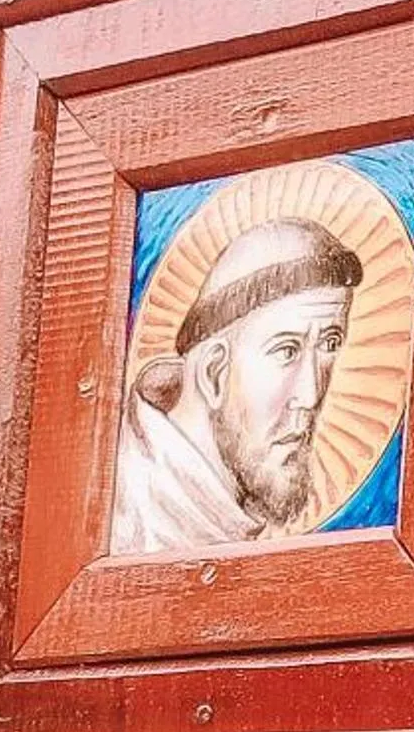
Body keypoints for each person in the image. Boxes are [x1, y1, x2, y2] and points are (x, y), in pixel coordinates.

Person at [110, 215, 361, 556]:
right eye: (287, 350)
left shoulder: (214, 513)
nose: (311, 395)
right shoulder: (136, 534)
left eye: (330, 344)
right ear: (214, 373)